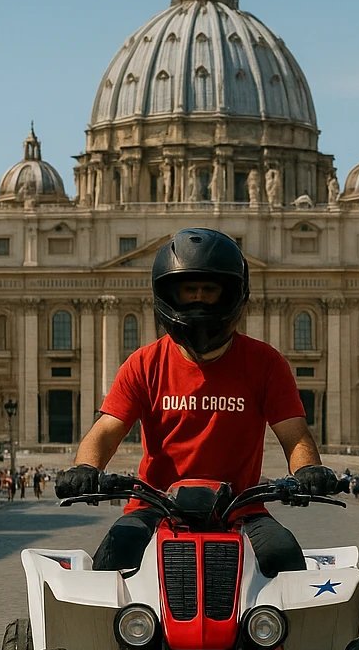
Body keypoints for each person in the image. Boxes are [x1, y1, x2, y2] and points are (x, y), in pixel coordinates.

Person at [53, 228, 335, 577]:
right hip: (155, 506)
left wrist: (307, 470)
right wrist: (85, 469)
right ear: (170, 295)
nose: (199, 300)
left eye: (210, 290)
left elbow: (295, 435)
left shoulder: (266, 363)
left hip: (241, 508)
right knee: (112, 561)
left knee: (286, 561)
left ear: (230, 294)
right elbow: (107, 431)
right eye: (189, 290)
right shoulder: (143, 363)